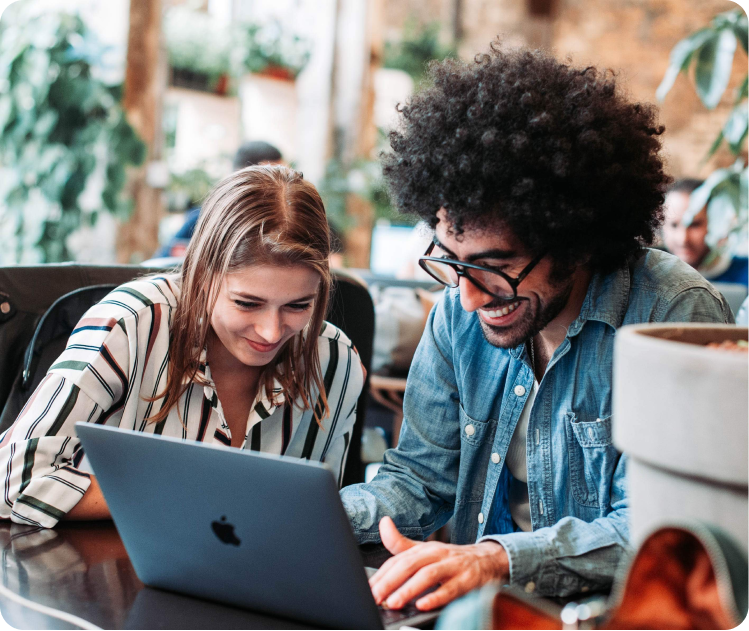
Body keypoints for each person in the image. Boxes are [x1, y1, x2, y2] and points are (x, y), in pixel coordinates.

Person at [340, 45, 733, 610]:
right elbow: (421, 481)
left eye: (495, 268)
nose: (468, 296)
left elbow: (662, 531)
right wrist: (321, 518)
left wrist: (496, 560)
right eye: (452, 261)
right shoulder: (459, 311)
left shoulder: (673, 316)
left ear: (576, 239)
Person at [0, 165, 365, 527]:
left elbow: (315, 520)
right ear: (202, 276)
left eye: (298, 305)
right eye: (247, 303)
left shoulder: (336, 361)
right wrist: (188, 498)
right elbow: (12, 479)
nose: (271, 332)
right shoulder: (131, 323)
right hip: (96, 570)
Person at [159, 141, 284, 258]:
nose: (283, 184)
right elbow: (161, 260)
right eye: (275, 174)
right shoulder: (201, 219)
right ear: (246, 176)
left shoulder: (286, 223)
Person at [663, 178, 749, 287]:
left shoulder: (746, 274)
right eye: (674, 225)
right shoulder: (651, 279)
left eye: (694, 224)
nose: (683, 239)